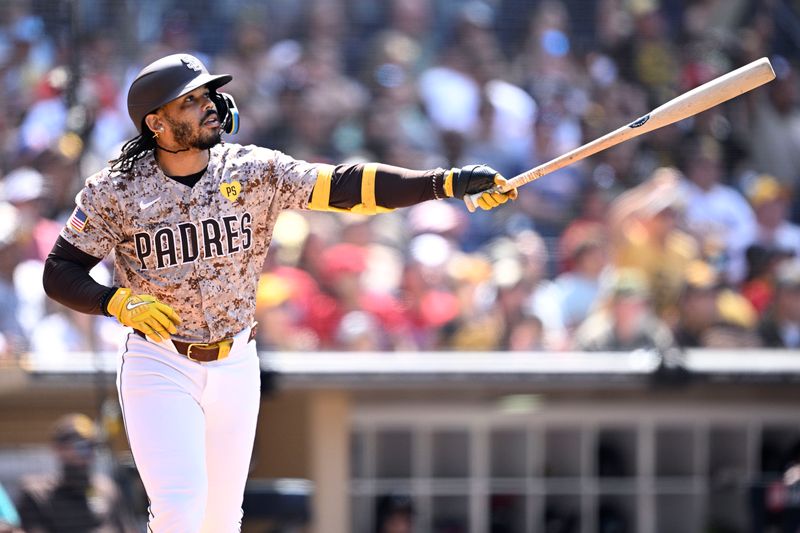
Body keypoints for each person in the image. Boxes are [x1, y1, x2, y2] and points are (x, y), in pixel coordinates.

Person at [41, 53, 517, 532]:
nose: (209, 105)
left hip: (237, 361)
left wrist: (446, 182)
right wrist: (115, 301)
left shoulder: (251, 170)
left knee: (223, 520)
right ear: (157, 123)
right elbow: (59, 270)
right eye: (191, 101)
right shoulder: (116, 190)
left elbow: (346, 185)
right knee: (179, 511)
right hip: (160, 361)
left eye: (209, 95)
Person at [15, 413, 137, 533]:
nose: (88, 454)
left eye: (93, 446)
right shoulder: (37, 494)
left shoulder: (107, 489)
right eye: (81, 446)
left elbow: (126, 528)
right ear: (58, 448)